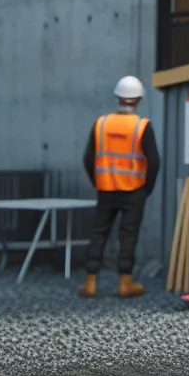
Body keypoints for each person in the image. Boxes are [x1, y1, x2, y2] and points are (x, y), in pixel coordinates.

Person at [79, 76, 160, 298]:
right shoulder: (141, 126)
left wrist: (99, 181)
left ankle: (90, 281)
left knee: (99, 232)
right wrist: (146, 188)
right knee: (128, 234)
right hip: (134, 190)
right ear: (138, 101)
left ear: (118, 97)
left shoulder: (101, 123)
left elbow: (88, 157)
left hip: (106, 189)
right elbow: (154, 161)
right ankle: (125, 282)